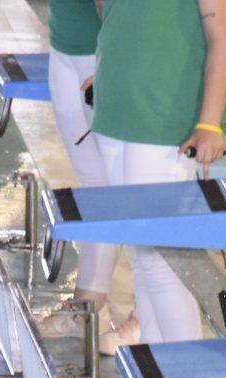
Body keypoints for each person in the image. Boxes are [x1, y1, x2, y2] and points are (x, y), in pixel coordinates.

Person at [82, 0, 226, 378]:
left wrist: (210, 123)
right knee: (142, 255)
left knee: (163, 262)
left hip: (166, 122)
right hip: (117, 110)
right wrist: (110, 70)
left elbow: (221, 38)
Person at [35, 0, 139, 356]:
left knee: (133, 193)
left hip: (102, 55)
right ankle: (89, 305)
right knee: (96, 188)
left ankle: (148, 316)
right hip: (65, 42)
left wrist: (117, 61)